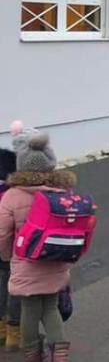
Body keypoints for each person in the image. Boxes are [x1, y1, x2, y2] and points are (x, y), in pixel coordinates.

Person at [0, 132, 76, 361]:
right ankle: (59, 352)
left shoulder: (13, 195)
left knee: (30, 308)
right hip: (55, 259)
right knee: (51, 306)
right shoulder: (62, 192)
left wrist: (6, 256)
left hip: (24, 260)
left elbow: (2, 233)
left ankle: (33, 353)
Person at [0, 133, 20, 351]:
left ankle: (1, 329)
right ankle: (14, 332)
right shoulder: (11, 194)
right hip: (9, 249)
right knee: (13, 287)